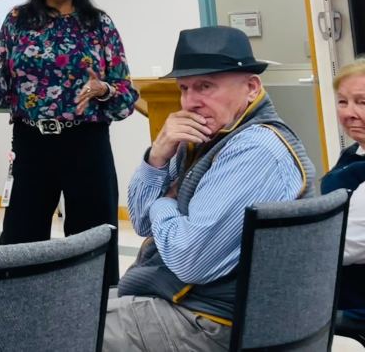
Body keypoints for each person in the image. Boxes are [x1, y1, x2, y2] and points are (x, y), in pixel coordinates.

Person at [103, 26, 315, 351]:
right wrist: (158, 153)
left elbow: (189, 260)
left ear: (251, 87)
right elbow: (142, 223)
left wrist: (165, 204)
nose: (190, 102)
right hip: (188, 304)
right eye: (184, 88)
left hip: (213, 322)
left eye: (205, 86)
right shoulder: (205, 136)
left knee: (60, 325)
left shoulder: (255, 148)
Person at [0, 0, 137, 278]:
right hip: (32, 142)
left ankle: (97, 317)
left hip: (86, 142)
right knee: (20, 239)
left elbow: (126, 96)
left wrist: (103, 89)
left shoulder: (99, 24)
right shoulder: (17, 21)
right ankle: (19, 314)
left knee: (93, 236)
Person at [320, 59, 365, 330]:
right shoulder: (352, 153)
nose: (349, 113)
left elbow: (340, 248)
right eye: (342, 102)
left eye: (362, 102)